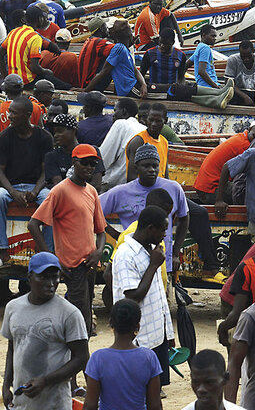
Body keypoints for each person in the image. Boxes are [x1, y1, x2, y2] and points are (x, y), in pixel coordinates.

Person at [29, 143, 107, 333]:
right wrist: (51, 258)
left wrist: (98, 252)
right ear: (74, 162)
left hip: (90, 263)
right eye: (84, 163)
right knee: (79, 318)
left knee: (84, 313)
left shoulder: (91, 191)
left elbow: (101, 231)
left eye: (93, 164)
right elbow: (33, 224)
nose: (89, 167)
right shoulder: (60, 190)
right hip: (72, 265)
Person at [0, 252, 90, 410]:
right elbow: (12, 348)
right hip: (22, 403)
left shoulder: (69, 313)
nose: (51, 283)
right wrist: (6, 386)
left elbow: (81, 358)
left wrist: (45, 381)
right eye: (43, 277)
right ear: (29, 278)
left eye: (55, 277)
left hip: (55, 404)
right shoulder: (13, 308)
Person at [101, 144, 190, 277]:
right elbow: (93, 210)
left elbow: (184, 217)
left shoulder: (173, 188)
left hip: (163, 261)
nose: (151, 170)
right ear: (136, 167)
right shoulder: (121, 192)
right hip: (133, 263)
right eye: (146, 166)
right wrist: (116, 235)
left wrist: (176, 253)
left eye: (155, 166)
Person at [112, 207, 175, 386]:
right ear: (150, 229)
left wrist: (168, 332)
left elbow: (159, 295)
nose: (165, 235)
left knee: (156, 388)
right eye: (162, 230)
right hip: (140, 337)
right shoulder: (126, 255)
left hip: (157, 334)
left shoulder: (153, 250)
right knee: (138, 388)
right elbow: (132, 297)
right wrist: (153, 266)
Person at [0, 97, 54, 261]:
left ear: (27, 115)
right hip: (10, 186)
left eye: (14, 113)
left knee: (51, 200)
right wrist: (13, 192)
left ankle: (48, 251)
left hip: (36, 186)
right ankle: (1, 248)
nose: (9, 116)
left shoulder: (44, 137)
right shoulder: (3, 137)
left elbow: (46, 171)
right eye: (10, 112)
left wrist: (35, 191)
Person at [83, 298, 162, 410]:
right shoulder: (149, 357)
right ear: (138, 326)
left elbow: (90, 405)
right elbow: (155, 405)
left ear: (111, 323)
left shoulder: (98, 358)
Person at [195, 126, 255, 206]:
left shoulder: (240, 137)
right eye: (254, 136)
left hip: (202, 187)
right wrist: (219, 200)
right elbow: (228, 169)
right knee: (249, 189)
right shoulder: (246, 147)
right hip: (210, 190)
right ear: (249, 130)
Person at [0, 5, 56, 87]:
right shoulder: (35, 37)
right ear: (40, 19)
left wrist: (6, 78)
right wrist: (46, 71)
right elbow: (34, 68)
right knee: (54, 80)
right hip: (26, 82)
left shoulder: (13, 32)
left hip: (13, 79)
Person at [87, 21, 147, 98]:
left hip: (134, 86)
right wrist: (86, 90)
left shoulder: (125, 50)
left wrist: (143, 84)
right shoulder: (119, 49)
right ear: (129, 35)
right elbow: (103, 72)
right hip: (130, 89)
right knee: (162, 90)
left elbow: (135, 71)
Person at [192, 24, 238, 107]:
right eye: (212, 36)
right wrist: (216, 86)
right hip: (208, 86)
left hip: (205, 85)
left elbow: (187, 64)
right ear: (204, 35)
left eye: (215, 36)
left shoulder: (199, 47)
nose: (215, 38)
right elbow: (201, 71)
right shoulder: (205, 48)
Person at [141, 26, 188, 96]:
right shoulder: (149, 53)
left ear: (173, 42)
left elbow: (181, 76)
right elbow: (141, 74)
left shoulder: (181, 55)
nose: (162, 45)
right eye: (160, 42)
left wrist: (181, 89)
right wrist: (143, 86)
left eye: (166, 44)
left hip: (171, 93)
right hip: (154, 91)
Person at [78, 17, 116, 88]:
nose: (107, 28)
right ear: (101, 28)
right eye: (105, 26)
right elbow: (119, 50)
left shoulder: (89, 40)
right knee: (115, 59)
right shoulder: (99, 42)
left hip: (85, 82)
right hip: (90, 84)